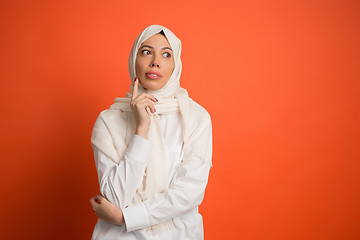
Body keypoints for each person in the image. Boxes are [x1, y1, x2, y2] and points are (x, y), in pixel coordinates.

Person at [89, 25, 213, 240]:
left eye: (166, 54)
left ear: (176, 65)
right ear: (133, 59)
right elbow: (116, 197)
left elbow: (189, 192)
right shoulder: (108, 121)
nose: (155, 61)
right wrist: (141, 130)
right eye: (146, 51)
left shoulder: (195, 117)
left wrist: (125, 218)